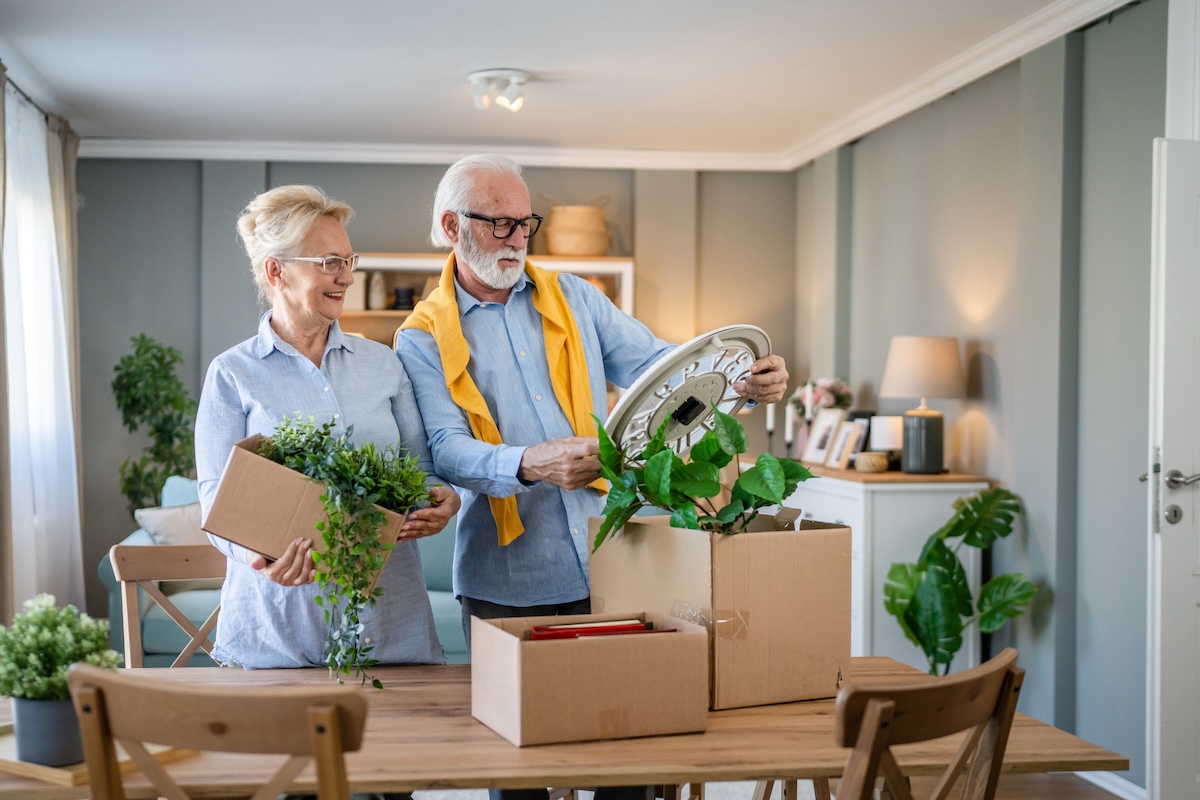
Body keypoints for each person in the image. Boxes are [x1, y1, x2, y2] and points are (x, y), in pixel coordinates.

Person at [396, 153, 788, 640]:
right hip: (504, 580)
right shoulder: (421, 337)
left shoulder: (576, 296)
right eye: (500, 224)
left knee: (610, 710)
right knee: (506, 716)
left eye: (524, 223)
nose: (517, 239)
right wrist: (532, 463)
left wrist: (741, 381)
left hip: (609, 556)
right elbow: (446, 448)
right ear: (453, 226)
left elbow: (658, 367)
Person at [195, 184, 460, 671]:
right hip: (276, 634)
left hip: (388, 628)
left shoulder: (384, 365)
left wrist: (438, 500)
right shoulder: (233, 373)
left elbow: (419, 468)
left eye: (348, 260)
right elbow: (216, 497)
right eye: (329, 263)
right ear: (277, 271)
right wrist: (262, 556)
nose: (346, 276)